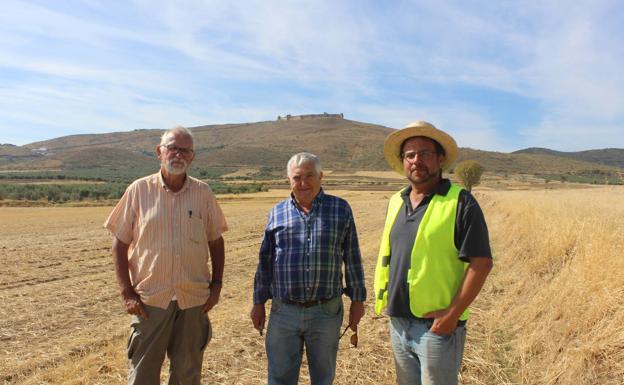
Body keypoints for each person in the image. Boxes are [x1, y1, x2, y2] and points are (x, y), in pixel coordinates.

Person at [104, 125, 228, 385]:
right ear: (159, 152)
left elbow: (216, 242)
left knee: (187, 375)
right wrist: (127, 293)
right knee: (143, 375)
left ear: (192, 157)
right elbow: (119, 245)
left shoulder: (203, 193)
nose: (178, 155)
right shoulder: (139, 190)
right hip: (150, 300)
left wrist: (216, 286)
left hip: (193, 300)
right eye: (172, 148)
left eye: (185, 150)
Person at [374, 121, 493, 385]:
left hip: (437, 329)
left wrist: (452, 315)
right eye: (410, 155)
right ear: (403, 161)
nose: (417, 160)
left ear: (440, 159)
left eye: (425, 153)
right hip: (398, 324)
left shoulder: (460, 201)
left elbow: (482, 263)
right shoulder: (396, 201)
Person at [251, 152, 367, 385]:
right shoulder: (277, 212)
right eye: (297, 177)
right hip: (283, 311)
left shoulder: (340, 209)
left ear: (321, 176)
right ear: (288, 180)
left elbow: (352, 257)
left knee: (323, 377)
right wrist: (258, 302)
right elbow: (265, 262)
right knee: (280, 377)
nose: (303, 183)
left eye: (309, 175)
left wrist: (357, 300)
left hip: (325, 311)